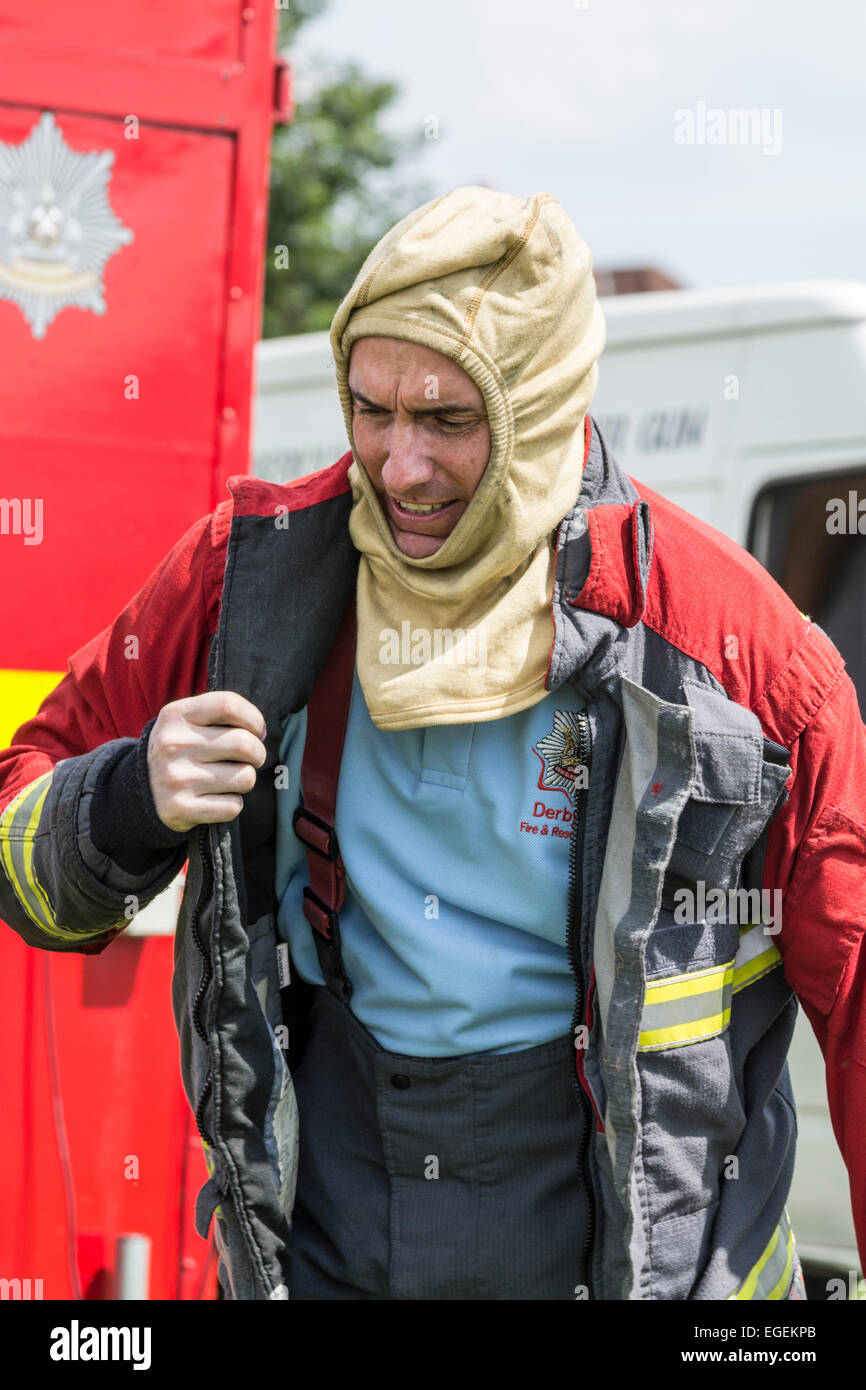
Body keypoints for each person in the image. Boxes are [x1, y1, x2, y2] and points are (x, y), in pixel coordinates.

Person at [1, 186, 864, 1302]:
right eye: (369, 409)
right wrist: (129, 796)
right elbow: (24, 849)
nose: (398, 467)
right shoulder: (243, 585)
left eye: (449, 421)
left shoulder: (734, 650)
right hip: (332, 1221)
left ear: (542, 404)